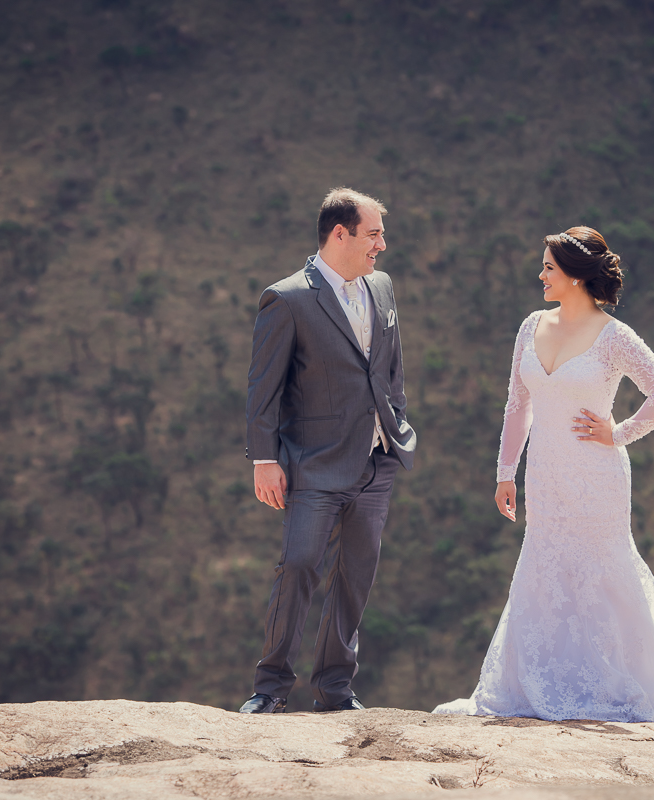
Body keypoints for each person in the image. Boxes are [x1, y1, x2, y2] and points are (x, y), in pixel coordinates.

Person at [433, 227, 654, 723]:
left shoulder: (614, 336)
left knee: (600, 569)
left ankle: (614, 683)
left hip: (597, 475)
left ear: (575, 275)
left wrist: (620, 432)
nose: (540, 275)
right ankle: (541, 680)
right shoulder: (530, 325)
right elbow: (517, 404)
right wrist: (506, 472)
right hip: (544, 473)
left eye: (548, 267)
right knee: (546, 566)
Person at [240, 188, 416, 714]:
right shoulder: (288, 298)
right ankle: (270, 690)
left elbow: (390, 369)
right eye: (374, 233)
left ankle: (335, 690)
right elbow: (262, 388)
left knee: (355, 576)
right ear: (340, 234)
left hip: (377, 459)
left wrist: (397, 422)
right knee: (298, 567)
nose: (382, 245)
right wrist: (264, 459)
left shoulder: (381, 288)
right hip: (313, 462)